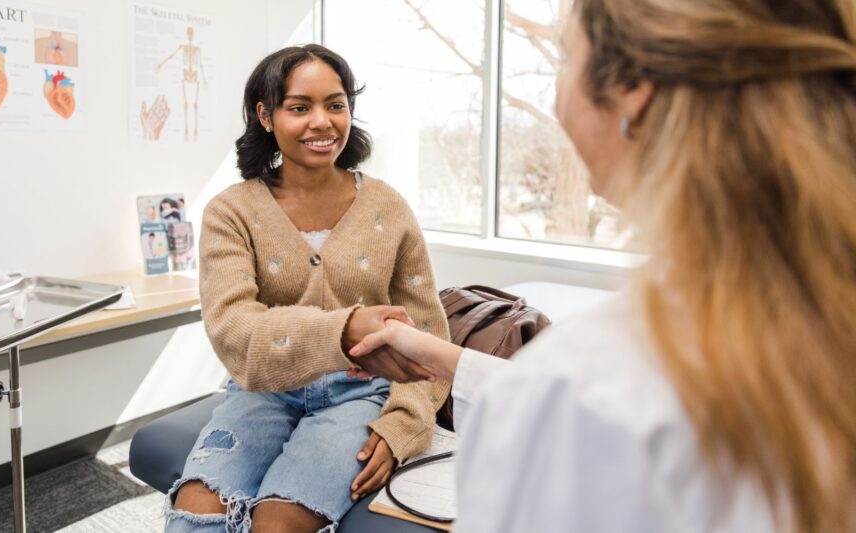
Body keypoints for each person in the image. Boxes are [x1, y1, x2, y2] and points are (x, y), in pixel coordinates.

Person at [348, 0, 856, 531]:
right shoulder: (804, 321)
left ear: (634, 93)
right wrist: (433, 351)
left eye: (566, 56)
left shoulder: (585, 390)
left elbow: (574, 403)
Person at [165, 44, 450, 533]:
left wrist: (403, 423)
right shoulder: (231, 212)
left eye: (335, 105)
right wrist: (344, 329)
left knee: (278, 522)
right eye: (300, 107)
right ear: (266, 115)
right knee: (196, 510)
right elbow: (235, 330)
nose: (322, 122)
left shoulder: (388, 208)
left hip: (360, 394)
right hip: (262, 391)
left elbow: (428, 336)